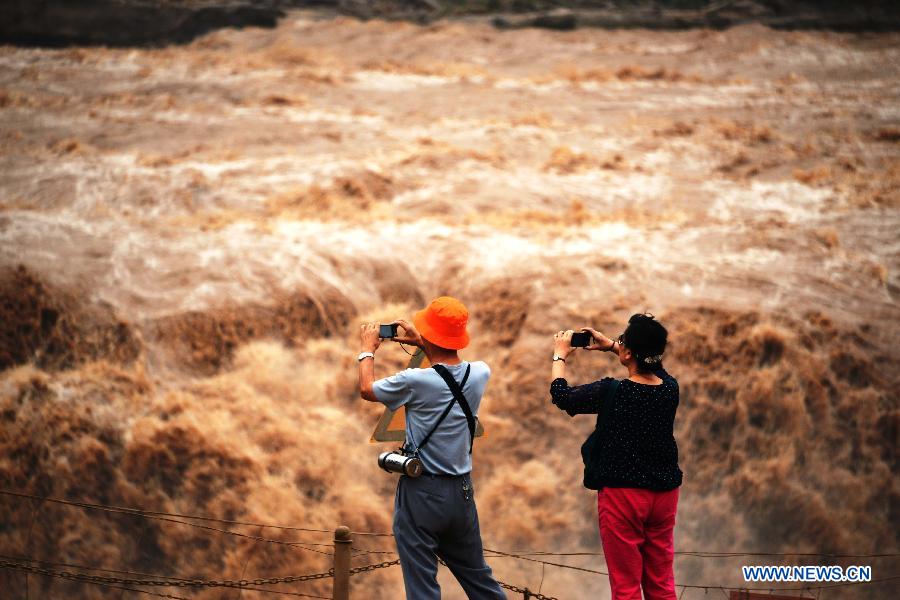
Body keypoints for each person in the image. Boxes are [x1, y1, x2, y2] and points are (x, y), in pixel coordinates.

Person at [358, 296, 506, 600]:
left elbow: (367, 389)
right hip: (462, 494)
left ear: (429, 335)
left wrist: (367, 350)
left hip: (423, 493)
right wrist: (426, 344)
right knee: (481, 582)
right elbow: (447, 366)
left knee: (423, 587)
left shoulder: (414, 380)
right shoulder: (480, 372)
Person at [549, 313, 683, 600]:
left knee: (626, 587)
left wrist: (560, 357)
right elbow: (657, 370)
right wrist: (615, 346)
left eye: (623, 340)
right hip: (665, 496)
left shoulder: (613, 391)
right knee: (661, 584)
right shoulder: (670, 389)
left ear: (630, 352)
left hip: (624, 496)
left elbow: (562, 396)